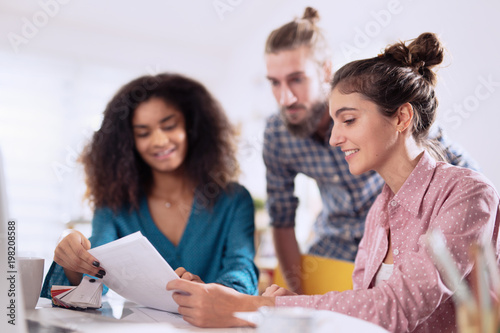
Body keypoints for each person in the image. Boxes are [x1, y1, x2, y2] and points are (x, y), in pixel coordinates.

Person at [166, 33, 500, 332]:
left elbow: (398, 307)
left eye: (349, 120)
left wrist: (259, 307)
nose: (333, 138)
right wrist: (287, 308)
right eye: (335, 120)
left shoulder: (468, 192)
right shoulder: (379, 213)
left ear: (401, 117)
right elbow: (366, 314)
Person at [263, 7, 479, 293]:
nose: (285, 97)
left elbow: (460, 172)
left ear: (325, 70)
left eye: (296, 79)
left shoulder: (375, 102)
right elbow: (282, 219)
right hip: (333, 250)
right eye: (275, 83)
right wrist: (295, 292)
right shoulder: (278, 135)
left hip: (394, 245)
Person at [41, 73, 259, 298]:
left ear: (191, 128)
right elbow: (97, 276)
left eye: (169, 126)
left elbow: (241, 270)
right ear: (129, 142)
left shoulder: (234, 200)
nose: (159, 141)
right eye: (143, 133)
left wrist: (209, 294)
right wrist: (73, 260)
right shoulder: (115, 203)